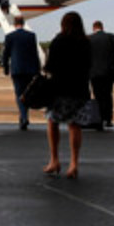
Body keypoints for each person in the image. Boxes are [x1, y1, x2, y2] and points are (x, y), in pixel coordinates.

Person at [42, 11, 98, 178]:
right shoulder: (86, 43)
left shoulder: (58, 41)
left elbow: (50, 66)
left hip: (60, 89)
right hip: (80, 89)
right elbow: (89, 65)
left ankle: (54, 160)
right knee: (75, 125)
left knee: (53, 122)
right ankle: (74, 163)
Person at [1, 15, 41, 131]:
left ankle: (23, 117)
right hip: (30, 69)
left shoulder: (10, 37)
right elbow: (35, 53)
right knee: (27, 94)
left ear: (14, 24)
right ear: (23, 23)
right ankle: (24, 116)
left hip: (17, 69)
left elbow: (6, 54)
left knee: (19, 94)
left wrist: (5, 67)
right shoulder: (31, 36)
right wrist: (37, 69)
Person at [88, 20, 114, 129]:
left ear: (94, 28)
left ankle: (99, 120)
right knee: (108, 95)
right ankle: (108, 119)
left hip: (94, 72)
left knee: (98, 95)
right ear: (102, 27)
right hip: (108, 71)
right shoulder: (111, 37)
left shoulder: (89, 38)